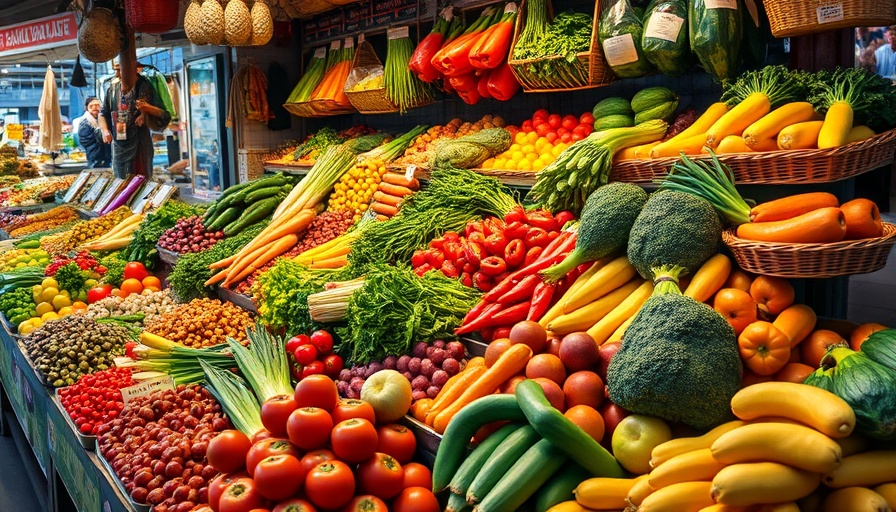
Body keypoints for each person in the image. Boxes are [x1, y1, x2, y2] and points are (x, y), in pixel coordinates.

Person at [98, 60, 170, 179]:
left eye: (120, 70)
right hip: (118, 143)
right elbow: (103, 113)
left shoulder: (145, 85)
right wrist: (105, 130)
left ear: (132, 69)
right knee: (120, 180)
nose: (117, 74)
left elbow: (163, 115)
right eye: (116, 70)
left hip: (139, 142)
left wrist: (146, 111)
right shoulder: (112, 89)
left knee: (139, 179)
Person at [77, 96, 111, 168]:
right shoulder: (85, 122)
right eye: (91, 106)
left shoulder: (101, 119)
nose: (95, 107)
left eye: (97, 105)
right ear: (87, 108)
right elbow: (85, 141)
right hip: (95, 158)